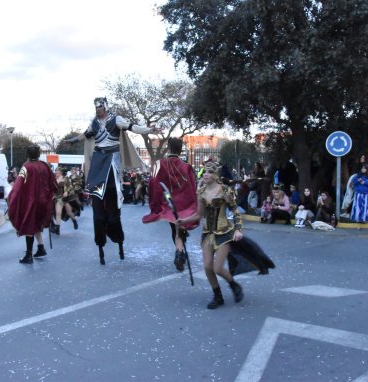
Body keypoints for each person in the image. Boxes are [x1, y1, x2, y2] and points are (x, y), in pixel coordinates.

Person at [62, 97, 160, 265]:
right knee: (98, 214)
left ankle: (116, 235)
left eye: (100, 106)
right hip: (98, 164)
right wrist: (71, 141)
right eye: (96, 107)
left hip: (112, 163)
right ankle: (101, 240)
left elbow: (133, 127)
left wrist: (149, 130)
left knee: (114, 213)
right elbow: (84, 135)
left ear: (106, 106)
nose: (98, 109)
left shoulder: (116, 119)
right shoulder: (94, 123)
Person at [177, 161, 244, 309]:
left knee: (218, 268)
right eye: (204, 172)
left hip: (224, 232)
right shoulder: (201, 192)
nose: (205, 174)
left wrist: (238, 229)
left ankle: (233, 285)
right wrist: (184, 221)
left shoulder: (225, 191)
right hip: (208, 233)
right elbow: (199, 215)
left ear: (215, 175)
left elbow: (235, 210)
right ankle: (218, 296)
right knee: (208, 267)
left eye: (209, 172)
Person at [142, 137, 198, 272]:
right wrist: (194, 204)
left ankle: (180, 253)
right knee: (179, 229)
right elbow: (193, 187)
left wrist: (155, 204)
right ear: (180, 149)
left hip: (169, 204)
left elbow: (153, 184)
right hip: (185, 204)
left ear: (169, 147)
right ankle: (180, 252)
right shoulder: (187, 166)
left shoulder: (159, 164)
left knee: (175, 229)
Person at [8, 145, 58, 263]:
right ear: (39, 154)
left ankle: (29, 255)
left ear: (28, 154)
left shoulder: (26, 167)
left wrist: (11, 198)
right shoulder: (45, 165)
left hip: (31, 201)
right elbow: (54, 183)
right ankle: (41, 248)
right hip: (44, 201)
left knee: (29, 225)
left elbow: (18, 186)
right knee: (36, 224)